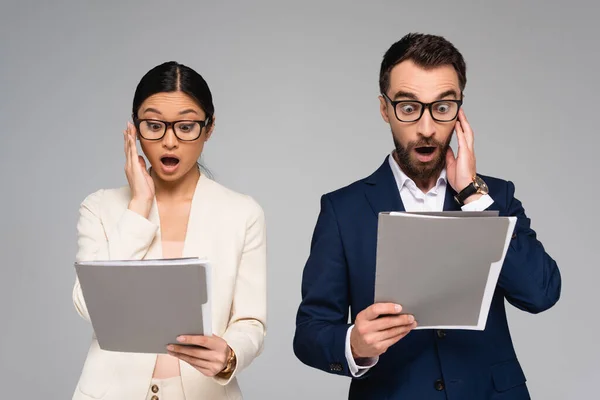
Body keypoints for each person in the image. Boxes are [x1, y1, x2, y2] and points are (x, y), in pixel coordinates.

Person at [293, 33, 561, 399]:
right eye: (408, 108)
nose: (426, 127)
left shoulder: (494, 197)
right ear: (385, 109)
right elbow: (310, 332)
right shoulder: (343, 210)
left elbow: (541, 293)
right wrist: (354, 343)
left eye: (443, 107)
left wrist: (472, 198)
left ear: (460, 110)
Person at [72, 61, 266, 400]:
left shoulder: (242, 212)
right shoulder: (100, 207)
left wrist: (229, 356)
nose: (170, 141)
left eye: (186, 126)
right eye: (154, 125)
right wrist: (139, 205)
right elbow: (89, 305)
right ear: (134, 129)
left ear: (209, 128)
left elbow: (250, 321)